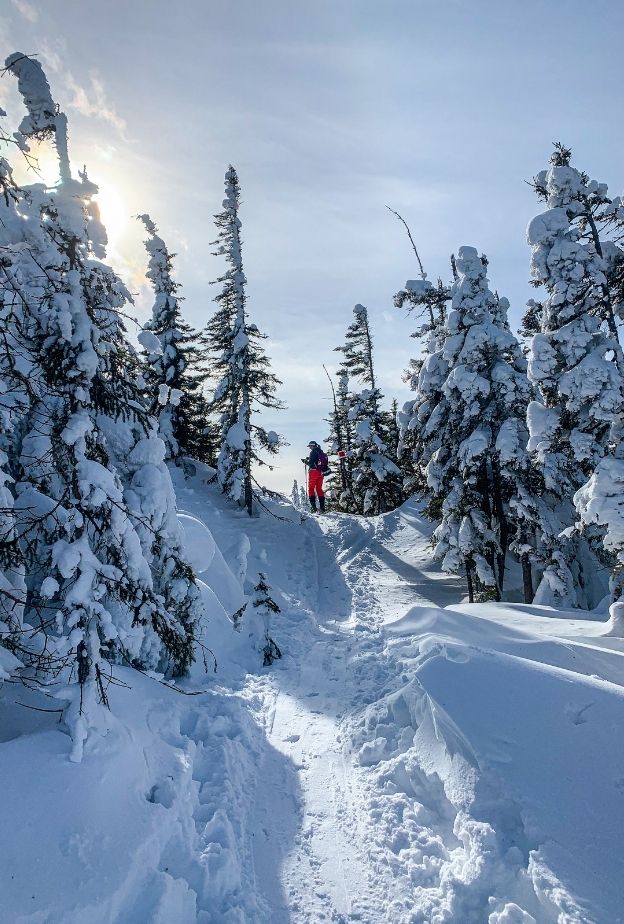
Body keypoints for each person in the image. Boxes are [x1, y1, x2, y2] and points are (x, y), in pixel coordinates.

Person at [302, 440, 326, 513]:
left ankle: (314, 508)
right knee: (319, 489)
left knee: (311, 488)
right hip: (321, 472)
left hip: (313, 472)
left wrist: (305, 462)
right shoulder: (320, 451)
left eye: (310, 446)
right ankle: (322, 508)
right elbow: (317, 461)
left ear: (312, 446)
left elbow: (311, 464)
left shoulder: (313, 452)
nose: (309, 448)